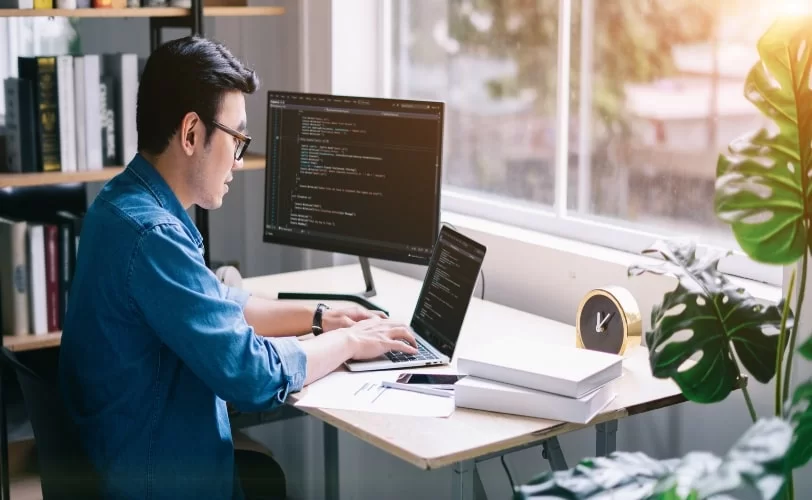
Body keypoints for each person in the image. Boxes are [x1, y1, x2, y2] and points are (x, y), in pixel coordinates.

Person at [58, 35, 418, 500]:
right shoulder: (153, 237)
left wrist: (321, 318)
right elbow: (252, 375)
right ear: (191, 134)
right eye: (237, 138)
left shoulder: (120, 204)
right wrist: (346, 342)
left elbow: (221, 302)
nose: (239, 159)